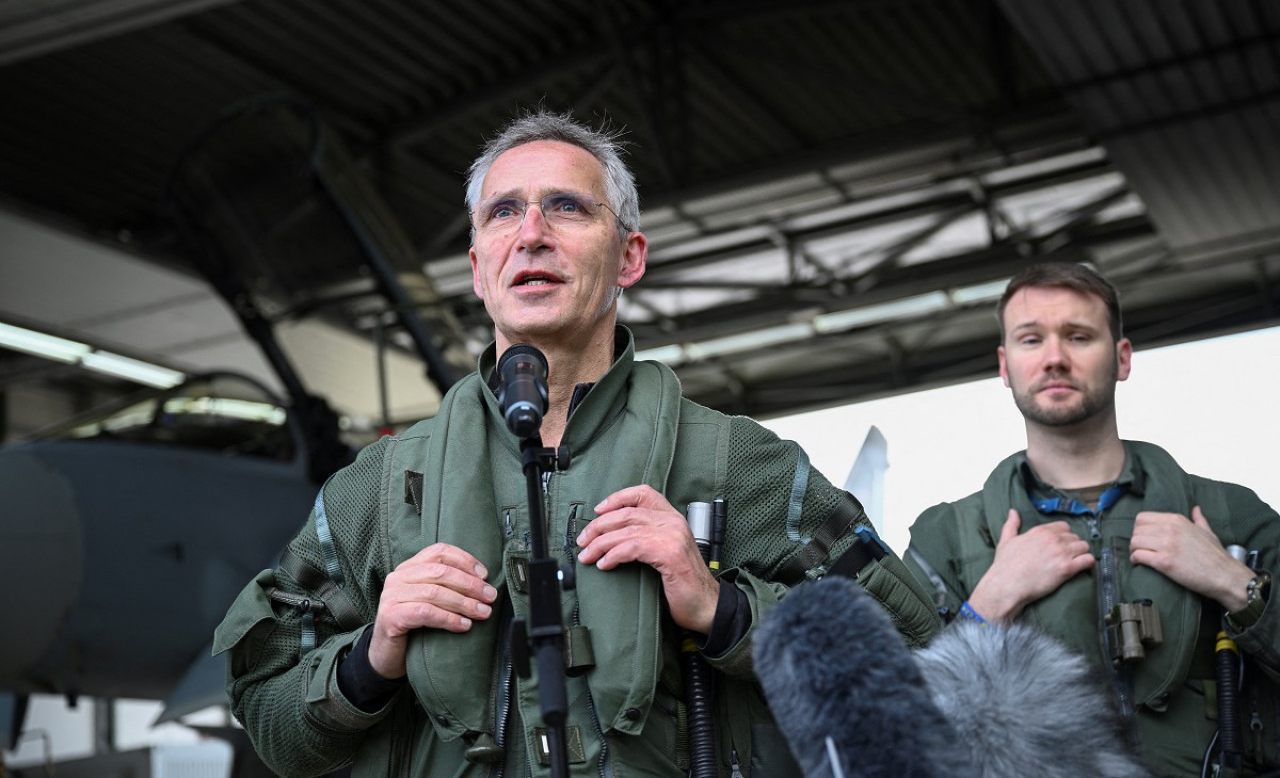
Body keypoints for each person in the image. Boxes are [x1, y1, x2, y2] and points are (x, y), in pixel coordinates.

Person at [215, 110, 940, 778]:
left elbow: (919, 659)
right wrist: (370, 657)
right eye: (504, 211)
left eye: (566, 206)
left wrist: (723, 609)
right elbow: (270, 717)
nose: (531, 232)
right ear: (477, 268)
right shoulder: (379, 487)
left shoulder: (738, 465)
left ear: (629, 257)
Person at [905, 261, 1280, 777]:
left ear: (1122, 358)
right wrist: (988, 607)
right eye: (1031, 340)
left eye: (1079, 336)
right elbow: (888, 727)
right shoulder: (948, 537)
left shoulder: (1228, 515)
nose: (1055, 358)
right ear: (1004, 365)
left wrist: (1235, 585)